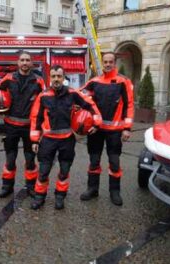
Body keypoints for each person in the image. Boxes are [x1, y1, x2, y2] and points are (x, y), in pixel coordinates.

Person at [29, 65, 102, 210]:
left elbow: (90, 105)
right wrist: (34, 140)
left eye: (59, 76)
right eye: (54, 76)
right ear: (50, 78)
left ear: (63, 78)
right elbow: (35, 118)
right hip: (48, 140)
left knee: (64, 171)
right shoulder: (43, 96)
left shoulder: (72, 93)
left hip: (66, 140)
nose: (56, 79)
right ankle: (39, 197)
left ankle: (60, 196)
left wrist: (97, 122)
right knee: (43, 171)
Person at [79, 52, 134, 206]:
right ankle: (92, 189)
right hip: (96, 130)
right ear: (102, 63)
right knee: (94, 160)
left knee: (114, 162)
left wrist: (127, 128)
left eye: (111, 62)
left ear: (114, 63)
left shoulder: (123, 82)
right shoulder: (94, 81)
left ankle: (114, 192)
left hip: (115, 131)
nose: (108, 64)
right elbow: (79, 95)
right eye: (105, 62)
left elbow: (129, 104)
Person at [0, 51, 46, 198]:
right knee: (10, 159)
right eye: (22, 60)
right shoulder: (8, 78)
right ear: (18, 63)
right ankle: (7, 186)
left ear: (32, 63)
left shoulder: (38, 81)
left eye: (27, 60)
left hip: (30, 127)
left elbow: (47, 100)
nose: (24, 63)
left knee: (30, 160)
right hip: (11, 126)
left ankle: (30, 187)